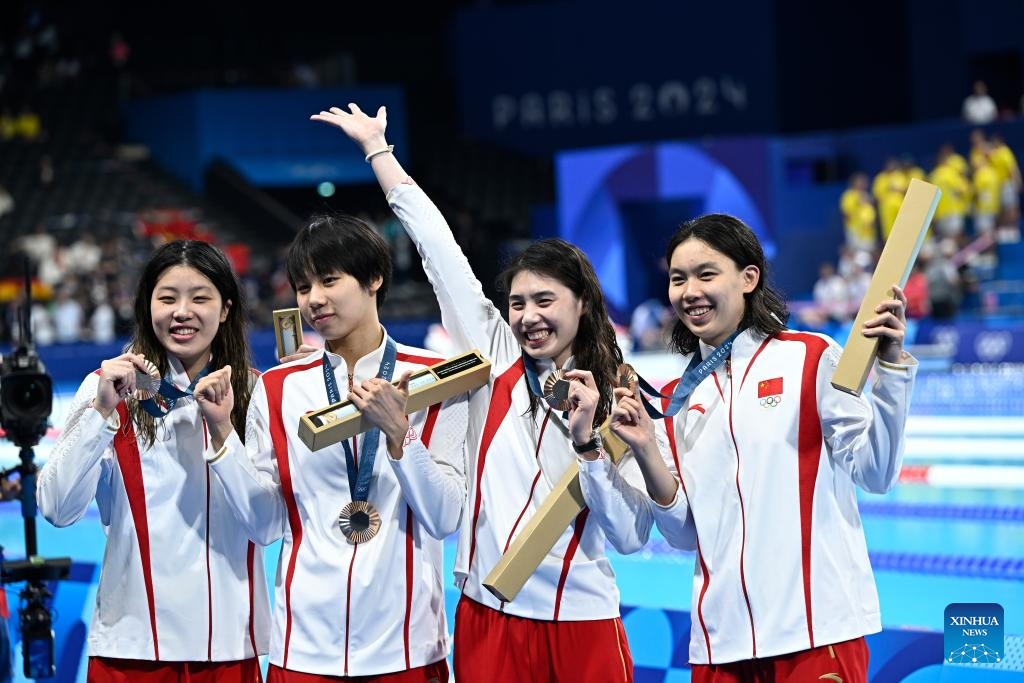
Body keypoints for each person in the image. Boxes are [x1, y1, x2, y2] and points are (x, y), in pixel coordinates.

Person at [313, 103, 671, 682]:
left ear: (583, 303)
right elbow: (439, 251)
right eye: (518, 304)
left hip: (581, 623)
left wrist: (588, 447)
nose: (529, 317)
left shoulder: (622, 397)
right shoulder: (495, 356)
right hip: (487, 617)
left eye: (546, 301)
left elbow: (631, 538)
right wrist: (380, 153)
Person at [602, 214, 917, 682]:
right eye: (677, 278)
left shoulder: (810, 357)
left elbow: (877, 472)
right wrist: (648, 448)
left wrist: (890, 374)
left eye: (706, 274)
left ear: (749, 277)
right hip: (719, 641)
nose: (689, 291)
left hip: (813, 634)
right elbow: (685, 534)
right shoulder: (677, 397)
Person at [206, 212, 467, 682]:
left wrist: (399, 433)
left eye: (329, 280)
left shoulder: (436, 377)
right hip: (303, 651)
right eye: (304, 288)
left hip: (406, 649)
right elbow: (264, 525)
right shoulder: (280, 388)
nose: (314, 300)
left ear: (374, 278)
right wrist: (225, 437)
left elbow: (445, 517)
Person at [37, 240, 269, 681]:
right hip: (131, 649)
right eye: (167, 298)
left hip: (229, 647)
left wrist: (223, 433)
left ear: (225, 310)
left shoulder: (256, 394)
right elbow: (55, 508)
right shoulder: (104, 389)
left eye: (200, 298)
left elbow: (268, 526)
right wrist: (101, 415)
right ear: (146, 308)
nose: (182, 311)